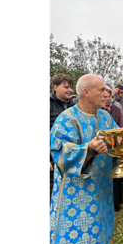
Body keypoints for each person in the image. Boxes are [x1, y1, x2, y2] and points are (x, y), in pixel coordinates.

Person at [48, 74, 118, 244]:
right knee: (75, 240)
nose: (106, 94)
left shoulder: (106, 116)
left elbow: (119, 138)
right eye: (101, 90)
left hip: (99, 189)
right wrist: (87, 147)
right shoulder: (66, 119)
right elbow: (58, 152)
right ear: (86, 92)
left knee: (95, 236)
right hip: (73, 197)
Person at [49, 74, 75, 203]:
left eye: (71, 87)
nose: (70, 90)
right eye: (66, 87)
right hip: (53, 159)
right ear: (55, 87)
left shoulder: (74, 105)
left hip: (70, 157)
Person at [101, 85, 123, 212]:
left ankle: (116, 202)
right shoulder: (98, 111)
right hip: (102, 146)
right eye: (104, 96)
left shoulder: (116, 109)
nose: (106, 98)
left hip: (115, 145)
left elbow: (120, 126)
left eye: (109, 96)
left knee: (115, 175)